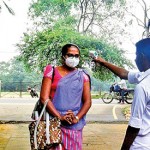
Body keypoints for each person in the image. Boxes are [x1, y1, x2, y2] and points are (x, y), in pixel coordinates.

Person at [93, 38, 150, 150]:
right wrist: (103, 62)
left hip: (140, 146)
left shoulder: (143, 87)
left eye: (136, 55)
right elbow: (124, 73)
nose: (135, 59)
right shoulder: (143, 76)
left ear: (142, 56)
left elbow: (134, 126)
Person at [40, 43, 91, 150]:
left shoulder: (83, 76)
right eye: (70, 55)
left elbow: (88, 101)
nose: (74, 58)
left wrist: (77, 118)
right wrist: (60, 117)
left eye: (76, 56)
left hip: (73, 123)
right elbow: (44, 98)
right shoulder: (51, 71)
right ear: (63, 56)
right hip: (53, 122)